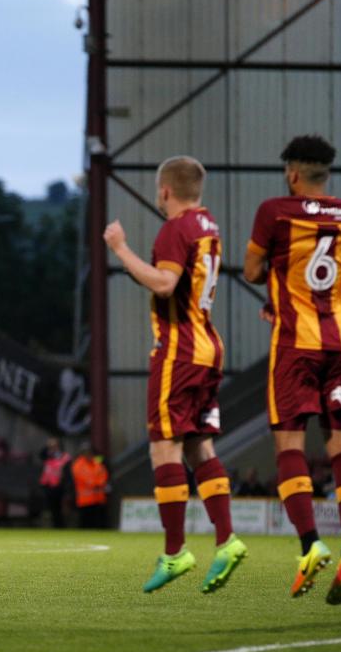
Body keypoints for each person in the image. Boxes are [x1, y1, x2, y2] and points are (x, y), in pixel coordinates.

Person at [104, 155, 247, 595]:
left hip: (179, 353)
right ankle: (226, 540)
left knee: (163, 449)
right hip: (208, 348)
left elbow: (165, 284)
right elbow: (174, 283)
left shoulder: (176, 229)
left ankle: (175, 552)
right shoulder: (208, 226)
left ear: (164, 190)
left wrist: (120, 248)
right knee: (199, 447)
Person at [243, 135, 341, 604]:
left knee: (289, 443)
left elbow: (253, 270)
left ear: (293, 172)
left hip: (296, 345)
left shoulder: (275, 210)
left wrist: (279, 292)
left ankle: (309, 544)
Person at [70, 442, 108, 528]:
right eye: (86, 452)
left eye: (89, 452)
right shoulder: (78, 464)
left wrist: (100, 482)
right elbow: (83, 477)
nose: (88, 454)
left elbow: (103, 474)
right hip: (85, 499)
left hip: (98, 497)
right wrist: (95, 483)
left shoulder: (97, 463)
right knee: (86, 522)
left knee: (99, 521)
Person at [38, 437, 71, 528]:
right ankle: (53, 526)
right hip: (48, 486)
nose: (53, 448)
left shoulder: (64, 457)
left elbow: (68, 473)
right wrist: (47, 446)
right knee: (50, 509)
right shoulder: (48, 455)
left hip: (60, 486)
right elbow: (41, 454)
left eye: (55, 445)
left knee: (60, 509)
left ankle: (61, 526)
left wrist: (67, 488)